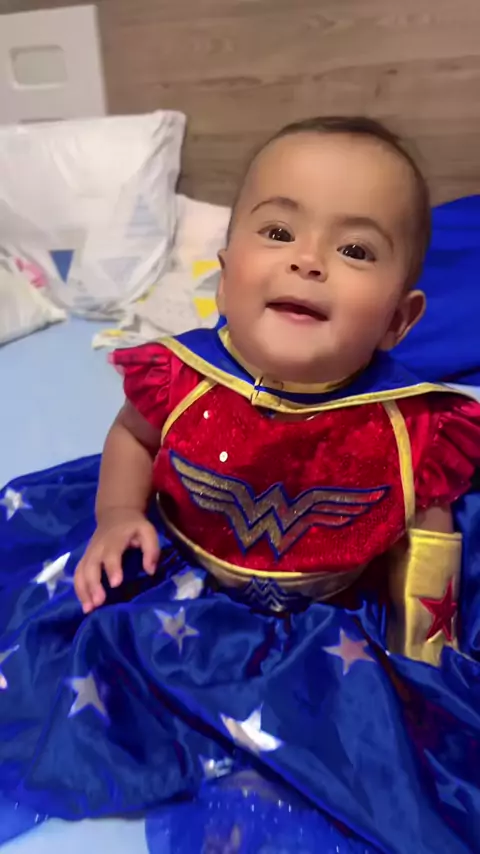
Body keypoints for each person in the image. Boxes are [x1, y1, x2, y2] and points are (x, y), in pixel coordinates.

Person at [0, 116, 480, 854]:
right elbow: (133, 437)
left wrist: (424, 638)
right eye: (279, 233)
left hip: (330, 601)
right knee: (66, 648)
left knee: (369, 744)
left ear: (398, 319)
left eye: (355, 249)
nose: (308, 261)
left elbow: (430, 521)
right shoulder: (185, 377)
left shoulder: (410, 425)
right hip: (185, 562)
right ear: (225, 276)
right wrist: (119, 513)